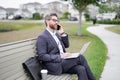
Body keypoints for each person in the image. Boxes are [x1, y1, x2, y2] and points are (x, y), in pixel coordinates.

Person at [36, 13, 96, 80]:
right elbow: (41, 56)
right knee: (80, 57)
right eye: (54, 20)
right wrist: (60, 56)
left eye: (57, 20)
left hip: (63, 62)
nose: (56, 22)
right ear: (47, 21)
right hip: (55, 65)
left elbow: (66, 45)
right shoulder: (42, 37)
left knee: (81, 69)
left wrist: (62, 33)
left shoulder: (56, 34)